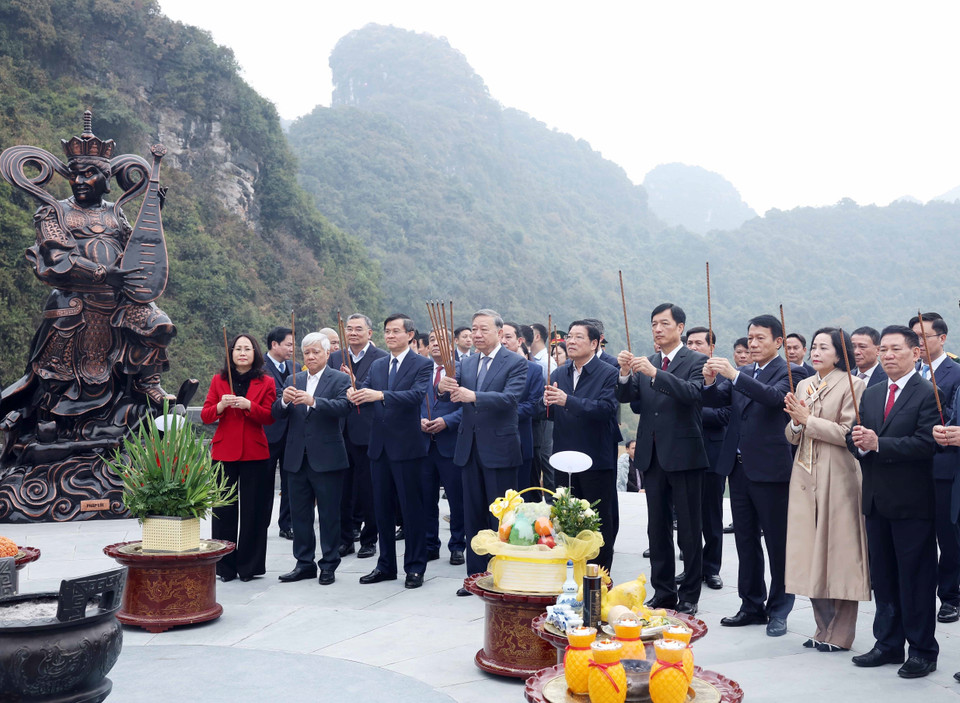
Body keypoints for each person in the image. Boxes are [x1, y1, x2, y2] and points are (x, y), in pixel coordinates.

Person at [848, 325, 939, 678]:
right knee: (883, 578)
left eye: (895, 349)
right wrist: (856, 441)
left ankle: (922, 650)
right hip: (875, 500)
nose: (887, 356)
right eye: (883, 349)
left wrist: (878, 444)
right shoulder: (872, 393)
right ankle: (887, 643)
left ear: (916, 353)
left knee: (915, 579)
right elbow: (859, 436)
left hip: (912, 503)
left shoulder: (928, 392)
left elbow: (926, 444)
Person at [702, 314, 798, 636]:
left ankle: (779, 609)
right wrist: (710, 380)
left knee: (776, 543)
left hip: (771, 470)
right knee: (745, 541)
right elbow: (718, 398)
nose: (753, 344)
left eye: (760, 338)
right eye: (750, 338)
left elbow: (773, 399)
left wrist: (734, 376)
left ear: (778, 342)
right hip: (738, 468)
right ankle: (750, 604)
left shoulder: (789, 372)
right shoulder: (742, 373)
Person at [616, 303, 708, 615]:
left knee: (689, 529)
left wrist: (656, 373)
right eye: (654, 323)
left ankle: (690, 594)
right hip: (652, 455)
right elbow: (636, 404)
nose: (658, 329)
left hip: (684, 455)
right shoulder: (648, 362)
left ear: (680, 327)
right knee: (657, 528)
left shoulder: (696, 360)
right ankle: (663, 591)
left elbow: (693, 393)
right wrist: (626, 374)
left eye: (664, 323)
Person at [783, 328, 870, 652]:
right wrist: (795, 421)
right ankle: (822, 628)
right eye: (814, 346)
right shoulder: (805, 384)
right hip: (805, 475)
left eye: (824, 347)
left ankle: (842, 633)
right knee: (809, 552)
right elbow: (794, 435)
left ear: (839, 353)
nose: (816, 352)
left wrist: (808, 419)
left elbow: (849, 433)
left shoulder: (853, 384)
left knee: (841, 553)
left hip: (839, 475)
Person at [438, 309, 527, 594]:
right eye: (474, 329)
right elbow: (450, 391)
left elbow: (511, 398)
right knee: (472, 514)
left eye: (483, 330)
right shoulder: (465, 362)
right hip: (469, 448)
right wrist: (442, 387)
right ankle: (475, 578)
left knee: (501, 517)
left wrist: (473, 395)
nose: (476, 334)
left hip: (500, 448)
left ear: (500, 333)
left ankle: (504, 576)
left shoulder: (515, 362)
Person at [349, 313, 433, 589]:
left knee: (411, 510)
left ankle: (415, 567)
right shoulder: (379, 364)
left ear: (410, 334)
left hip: (408, 447)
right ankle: (385, 565)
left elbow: (416, 396)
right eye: (387, 331)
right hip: (379, 447)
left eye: (396, 331)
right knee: (381, 509)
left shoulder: (422, 364)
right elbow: (365, 390)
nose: (390, 336)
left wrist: (381, 395)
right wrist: (354, 393)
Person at [273, 332, 353, 586]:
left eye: (316, 352)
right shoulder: (292, 378)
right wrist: (284, 402)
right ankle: (304, 563)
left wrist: (314, 401)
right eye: (306, 352)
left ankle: (328, 564)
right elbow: (277, 413)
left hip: (328, 457)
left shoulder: (340, 378)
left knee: (329, 514)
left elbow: (344, 407)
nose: (310, 356)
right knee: (299, 514)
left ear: (327, 354)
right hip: (296, 457)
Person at [201, 333, 276, 582]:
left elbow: (269, 417)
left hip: (255, 452)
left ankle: (250, 567)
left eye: (247, 348)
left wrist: (248, 406)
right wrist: (221, 406)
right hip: (224, 452)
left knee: (254, 510)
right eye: (237, 348)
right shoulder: (218, 380)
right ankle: (224, 566)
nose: (242, 352)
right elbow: (206, 415)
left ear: (255, 353)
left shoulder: (266, 381)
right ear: (230, 353)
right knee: (223, 510)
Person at [546, 320, 621, 571]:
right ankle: (570, 571)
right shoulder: (559, 372)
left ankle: (600, 575)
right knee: (566, 516)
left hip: (595, 457)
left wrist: (568, 400)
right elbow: (547, 411)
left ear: (594, 343)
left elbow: (607, 409)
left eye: (579, 337)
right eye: (569, 336)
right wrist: (545, 403)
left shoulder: (609, 372)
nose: (571, 341)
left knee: (597, 520)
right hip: (564, 455)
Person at [909, 313, 960, 624]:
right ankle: (920, 592)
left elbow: (952, 416)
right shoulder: (907, 374)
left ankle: (950, 595)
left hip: (942, 463)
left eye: (924, 336)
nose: (919, 343)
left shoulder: (956, 373)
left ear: (941, 338)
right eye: (913, 337)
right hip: (910, 467)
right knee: (916, 533)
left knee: (947, 534)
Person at [329, 314, 387, 560]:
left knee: (368, 489)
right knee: (342, 489)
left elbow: (379, 392)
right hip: (339, 431)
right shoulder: (334, 357)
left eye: (358, 329)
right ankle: (345, 539)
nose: (353, 333)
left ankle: (369, 539)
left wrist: (357, 383)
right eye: (349, 329)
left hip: (367, 431)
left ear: (369, 332)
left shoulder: (381, 358)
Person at [684, 326, 728, 591]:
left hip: (713, 452)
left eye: (698, 343)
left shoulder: (723, 376)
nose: (693, 347)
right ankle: (691, 567)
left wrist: (692, 412)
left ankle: (711, 568)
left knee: (712, 515)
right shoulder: (681, 372)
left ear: (711, 348)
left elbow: (725, 415)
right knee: (688, 515)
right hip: (684, 453)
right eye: (689, 343)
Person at [420, 329, 465, 566]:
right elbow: (414, 399)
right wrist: (419, 420)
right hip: (424, 444)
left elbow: (467, 406)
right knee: (426, 498)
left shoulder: (463, 369)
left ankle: (458, 544)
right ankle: (430, 544)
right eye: (431, 340)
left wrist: (447, 421)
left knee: (457, 499)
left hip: (451, 443)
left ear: (452, 344)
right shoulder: (422, 369)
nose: (436, 344)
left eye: (441, 340)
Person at [503, 322, 544, 490]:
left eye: (508, 337)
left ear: (519, 340)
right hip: (487, 445)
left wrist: (500, 411)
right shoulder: (484, 366)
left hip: (519, 439)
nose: (503, 341)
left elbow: (534, 406)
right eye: (500, 336)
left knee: (519, 497)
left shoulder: (533, 370)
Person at [263, 326, 295, 540]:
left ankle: (287, 524)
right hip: (267, 432)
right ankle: (261, 523)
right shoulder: (259, 368)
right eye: (288, 344)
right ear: (274, 344)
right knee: (263, 482)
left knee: (290, 481)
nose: (292, 349)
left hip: (291, 433)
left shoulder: (295, 367)